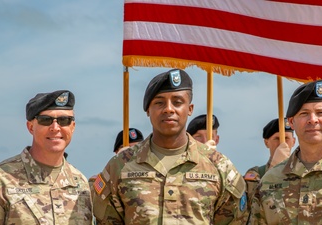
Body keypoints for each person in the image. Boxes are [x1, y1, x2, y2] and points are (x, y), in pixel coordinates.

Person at [92, 68, 248, 224]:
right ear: (148, 110)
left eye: (177, 102)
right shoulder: (120, 166)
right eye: (159, 102)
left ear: (190, 109)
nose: (168, 109)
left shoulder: (218, 167)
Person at [250, 79, 322, 224]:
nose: (312, 120)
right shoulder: (271, 180)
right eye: (304, 113)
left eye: (320, 113)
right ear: (291, 122)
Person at [0, 90, 93, 224]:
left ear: (72, 127)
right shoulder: (3, 179)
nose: (55, 128)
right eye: (45, 120)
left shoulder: (80, 183)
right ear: (30, 127)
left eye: (64, 120)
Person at [244, 118, 296, 207]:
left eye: (286, 138)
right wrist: (274, 168)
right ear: (266, 142)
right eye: (277, 138)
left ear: (293, 142)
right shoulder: (256, 173)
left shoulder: (302, 171)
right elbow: (251, 203)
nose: (282, 143)